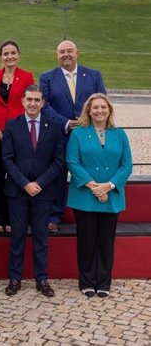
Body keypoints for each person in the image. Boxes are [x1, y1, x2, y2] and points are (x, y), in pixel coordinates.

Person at [1, 85, 65, 298]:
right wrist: (24, 183)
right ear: (22, 101)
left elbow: (58, 161)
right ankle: (15, 278)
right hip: (17, 191)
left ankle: (42, 279)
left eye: (37, 100)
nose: (33, 103)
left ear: (43, 102)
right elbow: (7, 160)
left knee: (41, 237)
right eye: (29, 99)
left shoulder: (54, 127)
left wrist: (39, 183)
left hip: (43, 192)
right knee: (17, 236)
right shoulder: (11, 126)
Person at [66, 93, 132, 298]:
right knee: (86, 241)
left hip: (111, 196)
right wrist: (94, 186)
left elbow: (126, 164)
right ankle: (86, 281)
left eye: (103, 107)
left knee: (106, 242)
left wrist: (108, 186)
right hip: (85, 195)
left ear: (109, 110)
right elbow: (72, 161)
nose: (99, 111)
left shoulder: (119, 134)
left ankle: (103, 281)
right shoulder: (78, 133)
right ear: (88, 110)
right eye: (95, 107)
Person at [39, 40, 106, 233]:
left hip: (88, 134)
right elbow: (45, 105)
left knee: (87, 172)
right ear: (56, 55)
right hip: (60, 134)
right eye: (62, 52)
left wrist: (86, 121)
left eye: (69, 51)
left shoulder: (93, 75)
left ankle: (88, 211)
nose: (66, 55)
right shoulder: (47, 78)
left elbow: (101, 101)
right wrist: (66, 123)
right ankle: (54, 215)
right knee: (57, 175)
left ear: (77, 53)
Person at [0, 40, 34, 234]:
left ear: (18, 55)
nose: (9, 57)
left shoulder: (26, 76)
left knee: (15, 176)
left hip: (18, 134)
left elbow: (29, 104)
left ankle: (14, 218)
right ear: (0, 56)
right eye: (6, 53)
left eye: (13, 53)